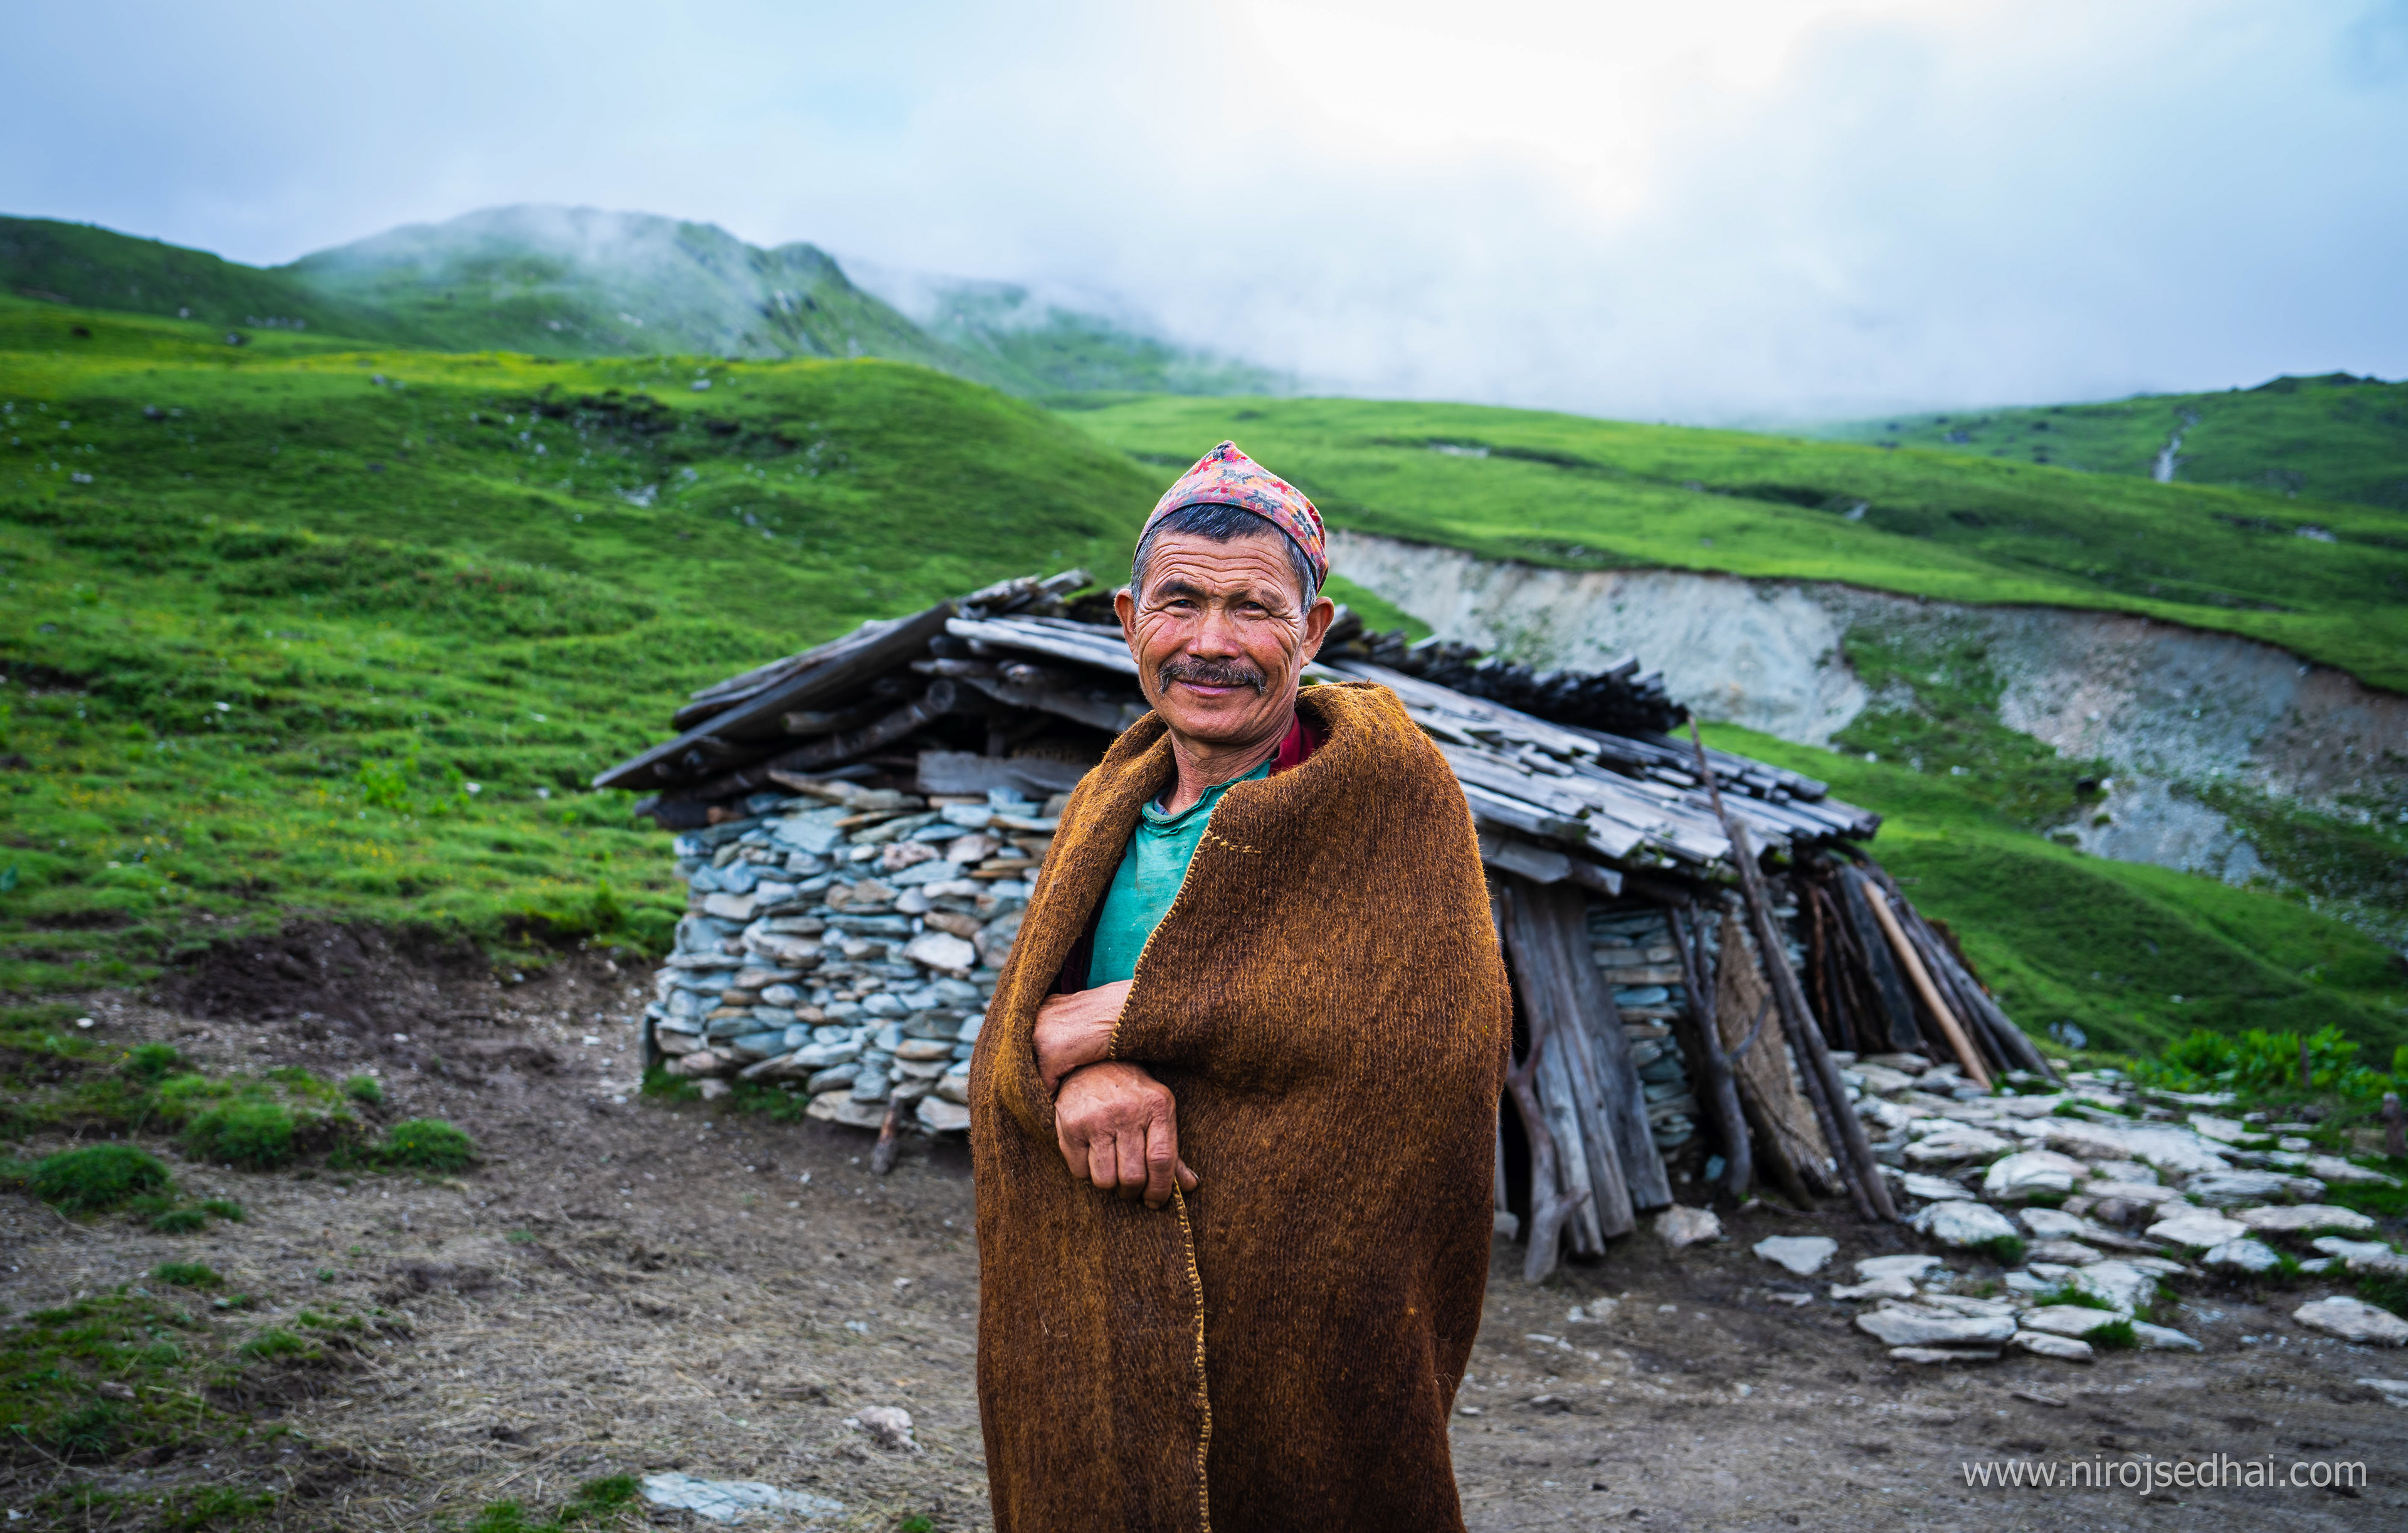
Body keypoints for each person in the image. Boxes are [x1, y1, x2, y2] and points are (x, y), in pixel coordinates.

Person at [968, 442, 1511, 1533]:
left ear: (1312, 633)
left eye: (1254, 609)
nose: (1211, 645)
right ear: (1129, 619)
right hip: (1086, 1290)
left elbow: (1439, 1042)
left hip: (1304, 1305)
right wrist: (1077, 1079)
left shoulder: (1386, 792)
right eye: (1179, 602)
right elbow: (1018, 1036)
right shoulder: (1104, 804)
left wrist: (1128, 1016)